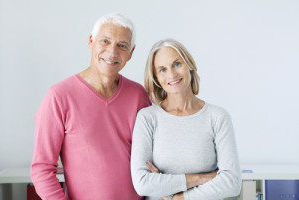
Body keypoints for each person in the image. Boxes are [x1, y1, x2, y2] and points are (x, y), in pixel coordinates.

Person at [31, 13, 151, 200]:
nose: (112, 52)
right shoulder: (59, 96)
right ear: (91, 42)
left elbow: (151, 157)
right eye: (105, 41)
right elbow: (42, 169)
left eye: (122, 46)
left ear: (131, 53)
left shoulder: (139, 96)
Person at [131, 39, 241, 200]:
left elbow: (232, 182)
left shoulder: (217, 117)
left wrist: (177, 197)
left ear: (189, 64)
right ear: (156, 77)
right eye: (162, 69)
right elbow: (143, 183)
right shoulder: (148, 118)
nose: (172, 74)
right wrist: (202, 178)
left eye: (177, 64)